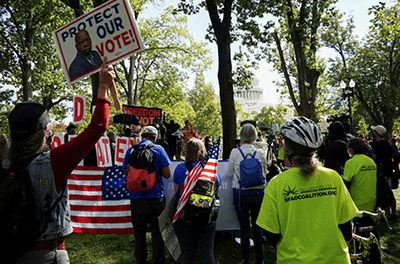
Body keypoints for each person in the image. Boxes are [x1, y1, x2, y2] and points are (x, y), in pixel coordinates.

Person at [1, 58, 115, 263]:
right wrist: (103, 87)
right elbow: (97, 127)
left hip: (12, 251)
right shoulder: (55, 161)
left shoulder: (3, 166)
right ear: (44, 131)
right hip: (49, 253)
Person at [256, 116, 358, 264]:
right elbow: (347, 228)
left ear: (287, 150)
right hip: (336, 259)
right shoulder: (333, 177)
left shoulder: (277, 184)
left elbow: (271, 234)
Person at [121, 125, 171, 264]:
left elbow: (127, 173)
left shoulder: (131, 150)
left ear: (142, 136)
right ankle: (158, 261)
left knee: (139, 233)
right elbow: (167, 174)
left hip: (136, 198)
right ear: (155, 138)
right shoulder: (158, 149)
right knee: (157, 233)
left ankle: (140, 261)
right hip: (155, 198)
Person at [173, 138, 221, 264]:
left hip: (185, 217)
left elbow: (177, 192)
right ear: (203, 151)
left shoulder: (180, 169)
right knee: (207, 253)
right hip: (206, 217)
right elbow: (216, 192)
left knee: (187, 256)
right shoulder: (211, 170)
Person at [226, 124, 267, 264]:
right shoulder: (261, 153)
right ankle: (260, 259)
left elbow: (229, 173)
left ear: (241, 137)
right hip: (258, 192)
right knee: (258, 227)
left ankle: (246, 259)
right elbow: (265, 172)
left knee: (244, 228)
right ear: (255, 137)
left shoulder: (234, 152)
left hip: (241, 193)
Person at [370, 125, 398, 220]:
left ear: (377, 134)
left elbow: (374, 158)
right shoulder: (389, 143)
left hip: (380, 171)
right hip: (389, 169)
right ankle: (393, 212)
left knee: (384, 191)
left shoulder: (376, 145)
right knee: (389, 191)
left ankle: (387, 214)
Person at [343, 137, 377, 212]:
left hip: (357, 204)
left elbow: (345, 184)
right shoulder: (370, 161)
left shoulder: (351, 162)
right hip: (373, 202)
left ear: (351, 149)